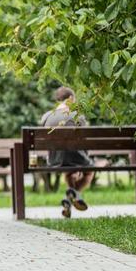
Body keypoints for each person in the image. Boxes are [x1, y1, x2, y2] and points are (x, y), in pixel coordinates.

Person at [40, 86, 94, 218]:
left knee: (69, 172)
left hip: (54, 160)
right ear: (70, 98)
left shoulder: (46, 116)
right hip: (76, 157)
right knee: (89, 171)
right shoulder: (77, 116)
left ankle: (70, 201)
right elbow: (83, 141)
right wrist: (85, 157)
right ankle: (74, 194)